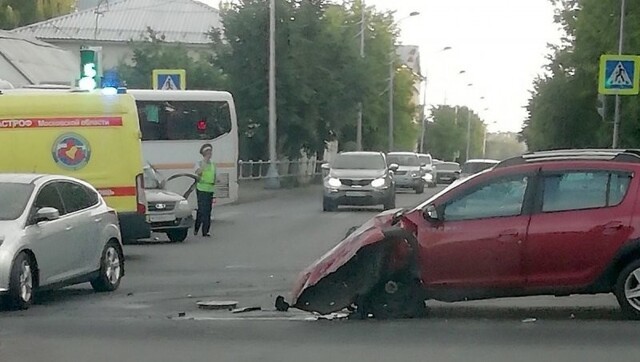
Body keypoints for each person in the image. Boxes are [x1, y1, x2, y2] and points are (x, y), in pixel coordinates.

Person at [194, 143, 216, 237]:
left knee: (208, 211)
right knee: (202, 210)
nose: (210, 154)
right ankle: (196, 228)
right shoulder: (199, 163)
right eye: (208, 152)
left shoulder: (213, 164)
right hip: (201, 189)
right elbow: (197, 173)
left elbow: (214, 176)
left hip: (210, 189)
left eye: (210, 152)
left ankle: (205, 231)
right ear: (204, 153)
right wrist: (203, 165)